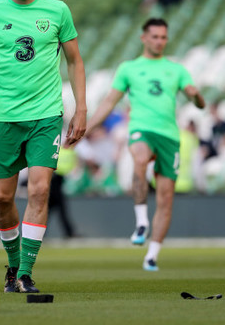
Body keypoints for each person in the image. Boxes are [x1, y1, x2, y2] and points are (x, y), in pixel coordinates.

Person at [0, 0, 87, 293]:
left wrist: (81, 108)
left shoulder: (57, 10)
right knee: (2, 198)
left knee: (39, 189)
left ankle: (25, 274)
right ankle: (13, 264)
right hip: (6, 119)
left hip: (46, 116)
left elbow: (75, 61)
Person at [86, 18, 205, 271]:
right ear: (144, 38)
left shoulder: (177, 70)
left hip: (170, 136)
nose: (159, 41)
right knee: (139, 159)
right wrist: (88, 127)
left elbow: (199, 104)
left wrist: (197, 96)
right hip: (142, 129)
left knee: (165, 198)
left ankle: (152, 254)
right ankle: (141, 222)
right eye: (155, 36)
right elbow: (109, 102)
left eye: (163, 37)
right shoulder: (128, 68)